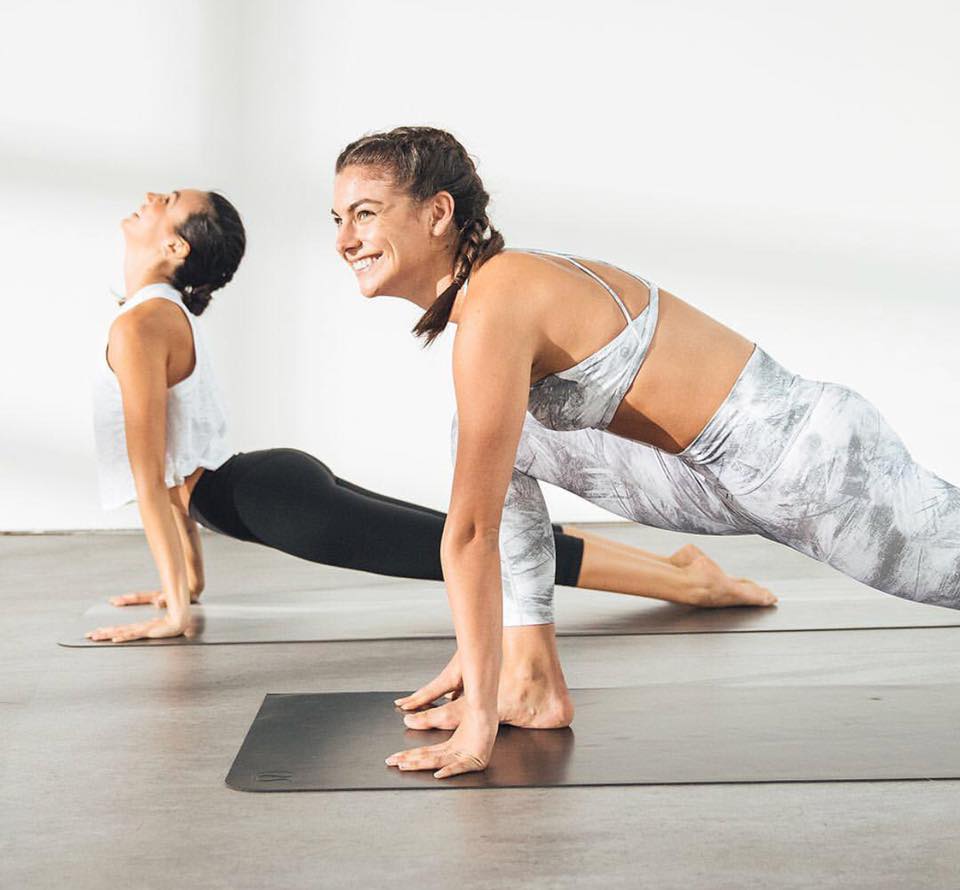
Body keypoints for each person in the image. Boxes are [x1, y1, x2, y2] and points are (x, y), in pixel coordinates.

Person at [330, 126, 960, 780]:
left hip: (814, 471)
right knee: (484, 436)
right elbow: (487, 500)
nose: (345, 239)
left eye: (366, 214)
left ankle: (513, 687)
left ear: (437, 213)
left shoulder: (500, 301)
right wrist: (490, 649)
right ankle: (531, 680)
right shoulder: (496, 294)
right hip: (723, 480)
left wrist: (477, 720)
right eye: (339, 218)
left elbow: (469, 532)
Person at [86, 189, 775, 644]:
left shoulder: (141, 324)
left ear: (177, 250)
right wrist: (187, 584)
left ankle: (690, 582)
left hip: (268, 498)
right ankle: (682, 568)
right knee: (466, 541)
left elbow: (155, 479)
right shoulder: (153, 315)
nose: (150, 200)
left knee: (465, 553)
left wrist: (177, 612)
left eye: (167, 200)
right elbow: (176, 472)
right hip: (261, 489)